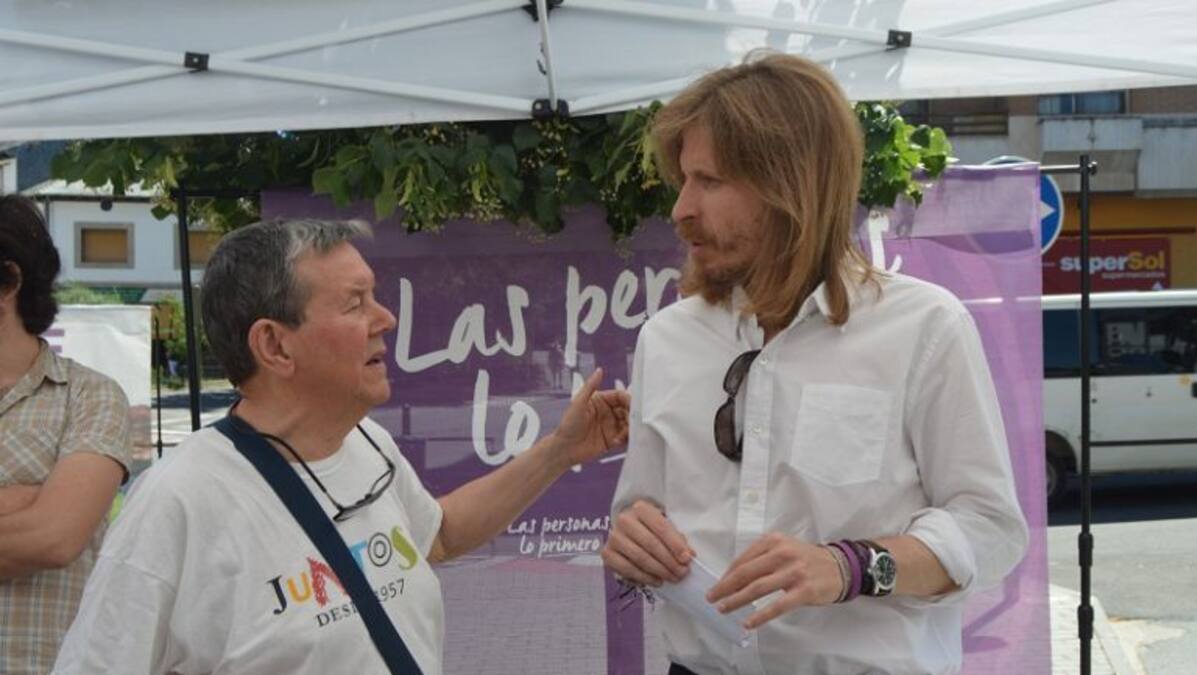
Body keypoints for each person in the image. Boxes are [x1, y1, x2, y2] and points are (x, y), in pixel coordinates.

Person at [601, 53, 1029, 675]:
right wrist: (635, 538)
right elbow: (640, 510)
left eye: (709, 181)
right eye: (682, 182)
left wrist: (852, 566)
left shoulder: (925, 328)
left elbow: (989, 528)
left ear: (790, 185)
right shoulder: (666, 339)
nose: (681, 210)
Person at [52, 218, 629, 674]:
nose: (386, 317)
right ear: (275, 345)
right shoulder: (179, 500)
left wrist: (559, 450)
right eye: (355, 303)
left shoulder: (367, 443)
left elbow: (440, 535)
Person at [0, 194, 132, 675]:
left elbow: (55, 537)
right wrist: (26, 499)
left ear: (9, 281)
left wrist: (47, 513)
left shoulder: (91, 395)